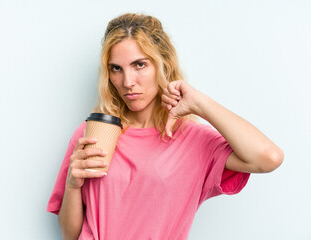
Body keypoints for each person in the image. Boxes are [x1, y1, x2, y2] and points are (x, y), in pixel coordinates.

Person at [47, 13, 284, 240]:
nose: (128, 82)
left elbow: (268, 157)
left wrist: (200, 103)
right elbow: (70, 236)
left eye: (139, 65)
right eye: (116, 68)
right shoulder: (93, 133)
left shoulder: (194, 141)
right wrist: (73, 184)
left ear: (164, 64)